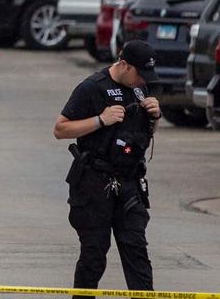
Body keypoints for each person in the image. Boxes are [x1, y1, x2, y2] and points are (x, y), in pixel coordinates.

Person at [54, 41, 163, 299]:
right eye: (139, 74)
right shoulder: (91, 88)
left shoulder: (140, 89)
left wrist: (155, 118)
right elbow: (60, 129)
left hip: (130, 181)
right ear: (123, 65)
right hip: (94, 182)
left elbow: (144, 133)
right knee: (94, 253)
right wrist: (100, 120)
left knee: (136, 249)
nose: (142, 81)